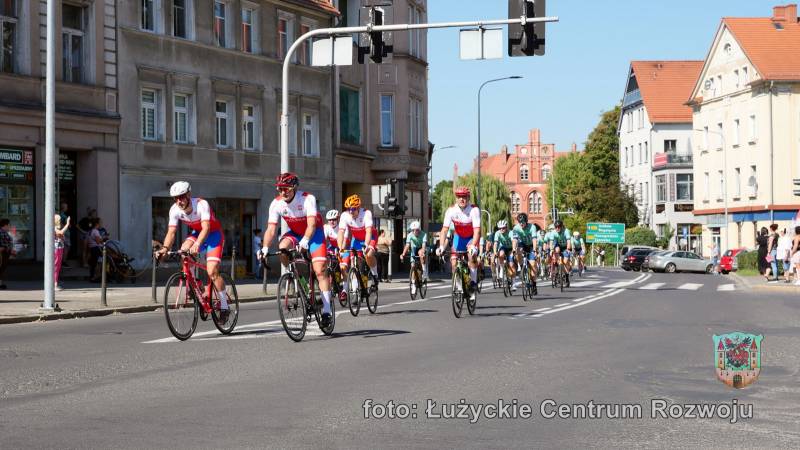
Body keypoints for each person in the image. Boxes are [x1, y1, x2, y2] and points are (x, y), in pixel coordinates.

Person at [258, 173, 332, 326]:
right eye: (280, 189)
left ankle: (326, 310)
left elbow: (311, 225)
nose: (283, 192)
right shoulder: (276, 203)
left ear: (294, 188)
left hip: (314, 234)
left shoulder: (306, 199)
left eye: (286, 189)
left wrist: (305, 241)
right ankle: (294, 274)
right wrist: (264, 248)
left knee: (320, 270)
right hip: (295, 234)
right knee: (282, 248)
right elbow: (271, 230)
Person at [155, 182, 230, 319]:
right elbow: (171, 232)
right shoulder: (174, 209)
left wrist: (197, 244)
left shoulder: (201, 204)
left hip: (213, 234)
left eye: (182, 197)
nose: (179, 201)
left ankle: (224, 305)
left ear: (189, 194)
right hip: (197, 233)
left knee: (212, 271)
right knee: (183, 250)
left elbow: (206, 228)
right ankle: (197, 286)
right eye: (175, 198)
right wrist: (164, 249)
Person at [436, 186, 481, 302]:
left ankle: (473, 283)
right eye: (459, 197)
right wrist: (441, 246)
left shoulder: (474, 210)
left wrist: (473, 245)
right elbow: (444, 230)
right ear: (456, 198)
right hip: (459, 237)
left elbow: (477, 230)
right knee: (454, 262)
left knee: (471, 257)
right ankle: (459, 287)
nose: (462, 199)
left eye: (464, 197)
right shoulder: (451, 210)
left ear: (468, 197)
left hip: (471, 237)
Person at [338, 194, 379, 283]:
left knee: (368, 255)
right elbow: (341, 232)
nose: (350, 212)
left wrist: (366, 245)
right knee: (353, 262)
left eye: (353, 209)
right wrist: (340, 248)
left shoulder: (366, 213)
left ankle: (375, 274)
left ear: (358, 207)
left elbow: (368, 232)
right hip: (356, 239)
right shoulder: (345, 215)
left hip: (370, 237)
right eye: (348, 209)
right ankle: (356, 288)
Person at [511, 213, 538, 291]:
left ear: (526, 221)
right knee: (518, 250)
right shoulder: (516, 228)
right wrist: (513, 249)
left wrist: (535, 249)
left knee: (533, 266)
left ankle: (534, 284)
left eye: (523, 222)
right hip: (522, 244)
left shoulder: (532, 227)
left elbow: (534, 239)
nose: (521, 224)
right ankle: (522, 265)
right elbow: (515, 239)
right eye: (520, 222)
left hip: (531, 245)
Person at [401, 221, 428, 288]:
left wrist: (423, 252)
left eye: (416, 230)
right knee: (412, 266)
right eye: (413, 230)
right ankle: (413, 283)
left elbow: (424, 245)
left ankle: (424, 271)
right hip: (414, 249)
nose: (414, 231)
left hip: (421, 248)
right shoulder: (410, 235)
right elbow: (407, 245)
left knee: (420, 253)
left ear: (419, 229)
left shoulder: (423, 234)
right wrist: (403, 253)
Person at [492, 220, 514, 285]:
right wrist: (495, 252)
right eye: (500, 228)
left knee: (511, 264)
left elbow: (513, 242)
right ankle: (502, 268)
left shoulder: (511, 232)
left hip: (510, 248)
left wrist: (513, 251)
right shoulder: (497, 233)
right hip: (503, 247)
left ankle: (511, 278)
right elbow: (495, 244)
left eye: (503, 228)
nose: (502, 229)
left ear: (506, 227)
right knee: (500, 255)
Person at [54, 214, 71, 290]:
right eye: (59, 220)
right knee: (55, 266)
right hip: (56, 249)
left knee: (58, 267)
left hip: (59, 248)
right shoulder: (53, 227)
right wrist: (67, 224)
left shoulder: (55, 228)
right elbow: (60, 233)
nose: (61, 221)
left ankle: (55, 282)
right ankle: (54, 284)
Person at [0, 218, 16, 289]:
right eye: (9, 225)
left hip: (6, 252)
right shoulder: (1, 232)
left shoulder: (5, 232)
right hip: (2, 253)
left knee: (2, 268)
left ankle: (0, 283)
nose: (10, 226)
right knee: (1, 267)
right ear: (5, 225)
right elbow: (4, 243)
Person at [59, 202, 71, 267]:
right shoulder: (63, 216)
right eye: (66, 207)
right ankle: (64, 261)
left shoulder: (60, 215)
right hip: (65, 234)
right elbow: (68, 225)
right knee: (66, 247)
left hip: (64, 233)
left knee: (65, 247)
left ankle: (63, 261)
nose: (67, 208)